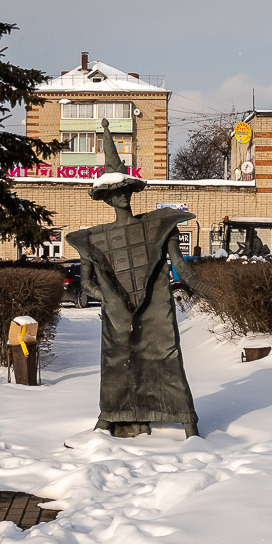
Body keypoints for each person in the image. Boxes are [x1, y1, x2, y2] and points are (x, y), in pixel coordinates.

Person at [67, 123, 200, 438]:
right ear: (107, 198)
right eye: (116, 193)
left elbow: (180, 263)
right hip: (117, 312)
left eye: (126, 190)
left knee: (165, 356)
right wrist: (108, 297)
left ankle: (186, 419)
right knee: (118, 361)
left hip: (156, 306)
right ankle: (114, 413)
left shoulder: (159, 225)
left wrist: (205, 287)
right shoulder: (94, 239)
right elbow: (86, 283)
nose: (123, 197)